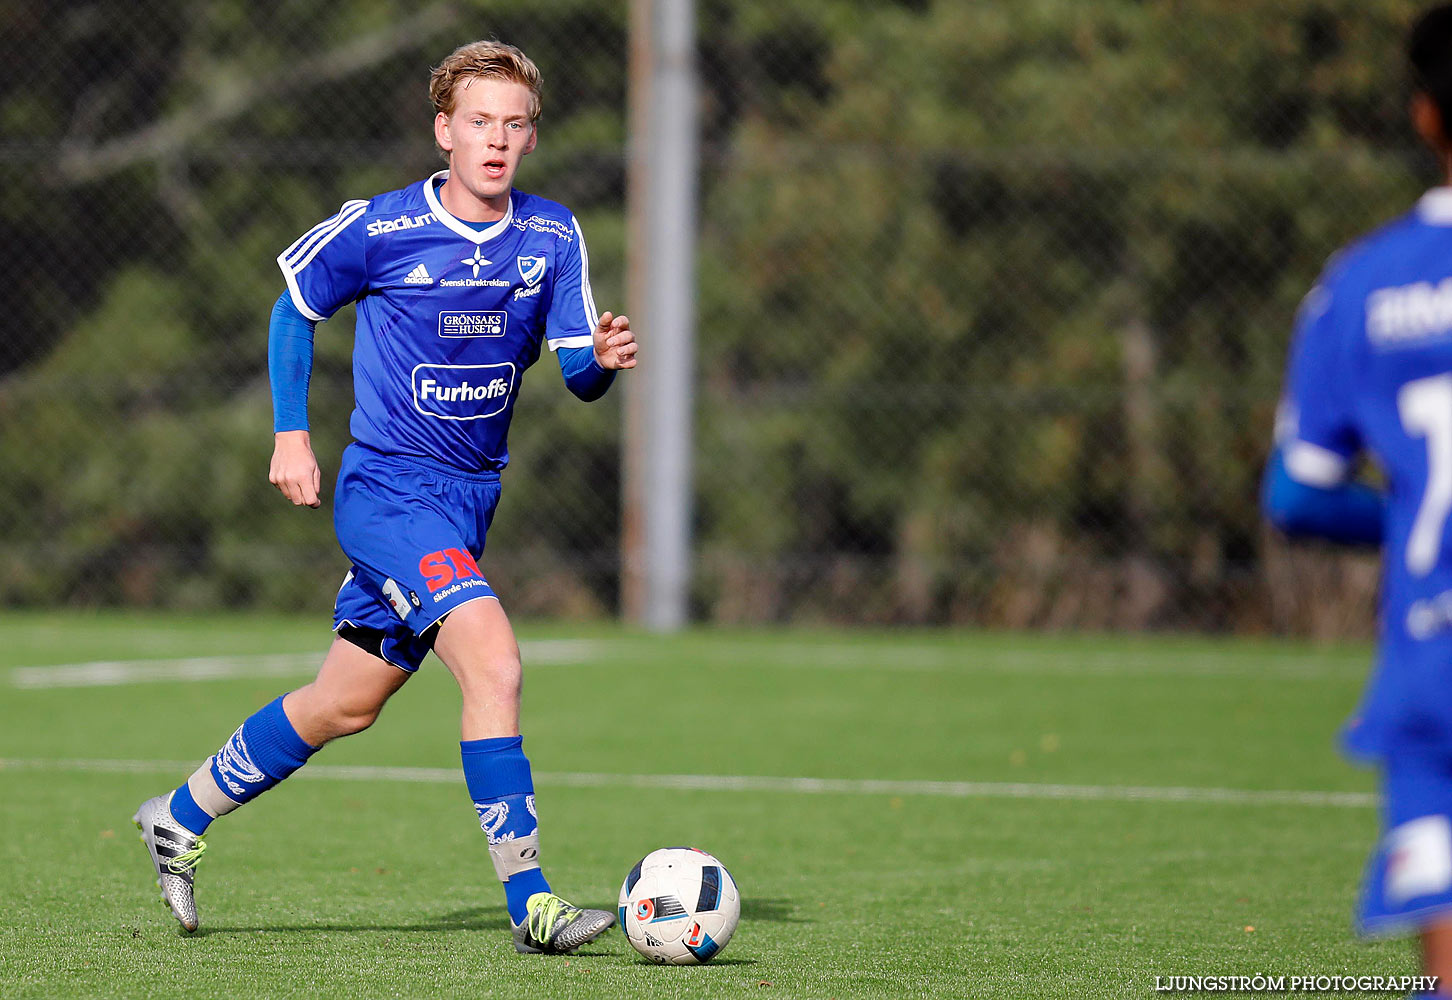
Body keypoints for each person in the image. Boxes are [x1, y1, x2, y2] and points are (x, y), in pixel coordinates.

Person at [130, 39, 636, 955]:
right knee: (494, 661)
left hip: (468, 502)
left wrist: (598, 363)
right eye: (479, 122)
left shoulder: (553, 235)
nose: (496, 140)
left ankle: (177, 813)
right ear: (444, 130)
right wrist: (291, 433)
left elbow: (576, 375)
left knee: (343, 704)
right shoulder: (384, 227)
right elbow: (294, 307)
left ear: (531, 138)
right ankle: (533, 902)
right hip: (387, 494)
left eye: (514, 125)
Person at [1264, 5, 1452, 987]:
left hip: (1436, 661)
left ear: (1427, 117)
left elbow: (1297, 494)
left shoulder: (1364, 286)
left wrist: (1414, 526)